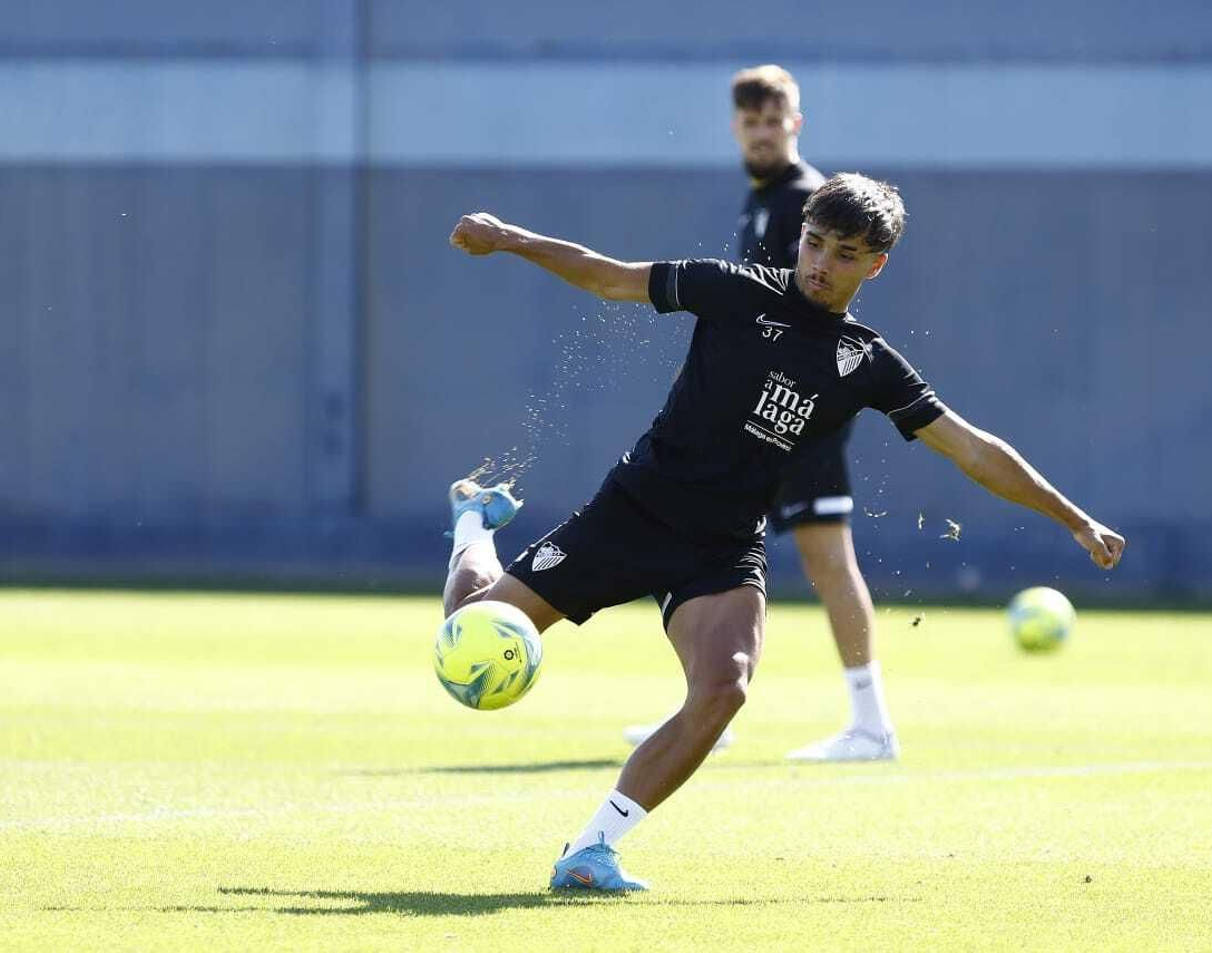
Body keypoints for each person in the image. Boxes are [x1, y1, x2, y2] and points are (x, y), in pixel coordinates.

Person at [444, 173, 1126, 892]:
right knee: (465, 635)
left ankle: (591, 851)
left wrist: (1075, 519)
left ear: (875, 266)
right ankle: (472, 524)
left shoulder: (868, 362)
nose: (822, 263)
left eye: (845, 254)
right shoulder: (733, 289)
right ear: (801, 235)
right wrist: (510, 238)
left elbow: (973, 449)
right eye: (815, 243)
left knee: (725, 685)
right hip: (633, 512)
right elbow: (609, 278)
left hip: (721, 546)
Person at [625, 65, 895, 762]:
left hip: (795, 414)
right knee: (699, 543)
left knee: (827, 560)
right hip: (760, 416)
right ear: (736, 128)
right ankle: (709, 705)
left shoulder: (805, 199)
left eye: (775, 121)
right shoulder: (763, 202)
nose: (763, 133)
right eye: (751, 123)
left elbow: (797, 316)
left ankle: (871, 724)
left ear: (795, 124)